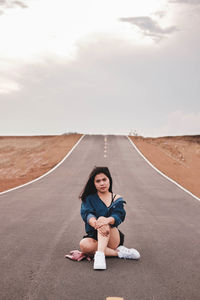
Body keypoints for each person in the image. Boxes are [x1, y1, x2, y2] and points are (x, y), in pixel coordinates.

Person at [79, 166, 140, 270]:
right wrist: (96, 224)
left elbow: (119, 215)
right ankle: (120, 253)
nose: (102, 183)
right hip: (94, 236)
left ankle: (99, 257)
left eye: (104, 180)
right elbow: (87, 214)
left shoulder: (117, 198)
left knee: (104, 219)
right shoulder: (89, 198)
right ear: (94, 183)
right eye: (98, 181)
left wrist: (106, 220)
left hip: (112, 236)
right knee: (84, 245)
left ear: (109, 180)